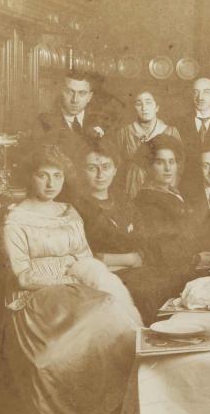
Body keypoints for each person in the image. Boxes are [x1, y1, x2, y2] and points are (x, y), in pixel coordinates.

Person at [1, 145, 141, 414]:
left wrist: (81, 276)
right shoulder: (17, 218)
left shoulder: (69, 211)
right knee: (94, 318)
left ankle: (113, 404)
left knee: (111, 309)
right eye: (43, 176)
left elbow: (84, 255)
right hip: (39, 297)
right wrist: (65, 277)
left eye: (57, 176)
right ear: (31, 177)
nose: (51, 184)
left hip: (74, 284)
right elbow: (23, 274)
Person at [72, 138, 186, 324]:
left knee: (173, 283)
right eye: (93, 168)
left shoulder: (124, 201)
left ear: (116, 169)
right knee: (146, 292)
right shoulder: (78, 207)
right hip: (105, 277)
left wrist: (137, 257)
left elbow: (145, 241)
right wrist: (129, 259)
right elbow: (84, 254)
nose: (101, 174)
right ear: (82, 170)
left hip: (137, 271)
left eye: (106, 167)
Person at [134, 135, 198, 273]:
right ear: (149, 166)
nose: (168, 168)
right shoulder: (146, 202)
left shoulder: (172, 192)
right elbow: (164, 251)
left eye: (172, 161)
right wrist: (196, 259)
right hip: (168, 272)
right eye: (160, 162)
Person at [115, 91, 181, 199]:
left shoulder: (171, 132)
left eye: (148, 102)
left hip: (164, 190)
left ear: (157, 107)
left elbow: (179, 167)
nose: (144, 108)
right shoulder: (125, 133)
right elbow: (118, 165)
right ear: (134, 108)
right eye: (139, 104)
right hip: (133, 189)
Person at [31, 71, 109, 149]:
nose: (75, 100)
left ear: (89, 97)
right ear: (61, 92)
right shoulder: (44, 122)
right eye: (69, 92)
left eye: (82, 93)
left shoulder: (101, 121)